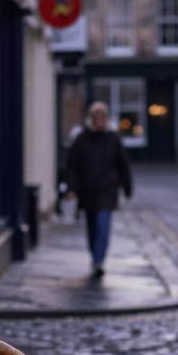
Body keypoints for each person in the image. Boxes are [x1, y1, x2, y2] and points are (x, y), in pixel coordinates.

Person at [66, 101, 133, 278]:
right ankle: (94, 256)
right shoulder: (81, 140)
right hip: (87, 191)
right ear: (91, 119)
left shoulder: (113, 139)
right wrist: (71, 188)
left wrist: (127, 187)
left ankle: (99, 261)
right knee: (92, 227)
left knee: (103, 224)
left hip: (107, 190)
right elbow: (72, 166)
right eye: (96, 118)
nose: (100, 122)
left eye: (102, 118)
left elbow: (123, 164)